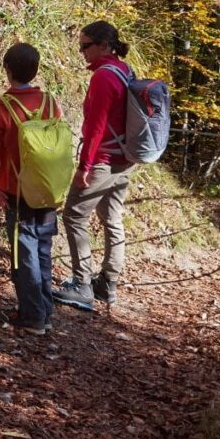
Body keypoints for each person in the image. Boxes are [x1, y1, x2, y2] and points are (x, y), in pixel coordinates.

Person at [54, 21, 134, 311]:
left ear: (104, 46)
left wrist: (84, 167)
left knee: (74, 216)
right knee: (112, 219)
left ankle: (82, 284)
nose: (81, 51)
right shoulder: (125, 70)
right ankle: (107, 285)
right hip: (124, 160)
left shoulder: (103, 77)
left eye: (86, 46)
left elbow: (97, 127)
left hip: (102, 161)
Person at [0, 43, 63, 335]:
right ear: (36, 70)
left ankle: (33, 317)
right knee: (42, 248)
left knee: (24, 251)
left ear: (7, 70)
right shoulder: (50, 102)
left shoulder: (1, 106)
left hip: (17, 189)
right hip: (48, 187)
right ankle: (44, 309)